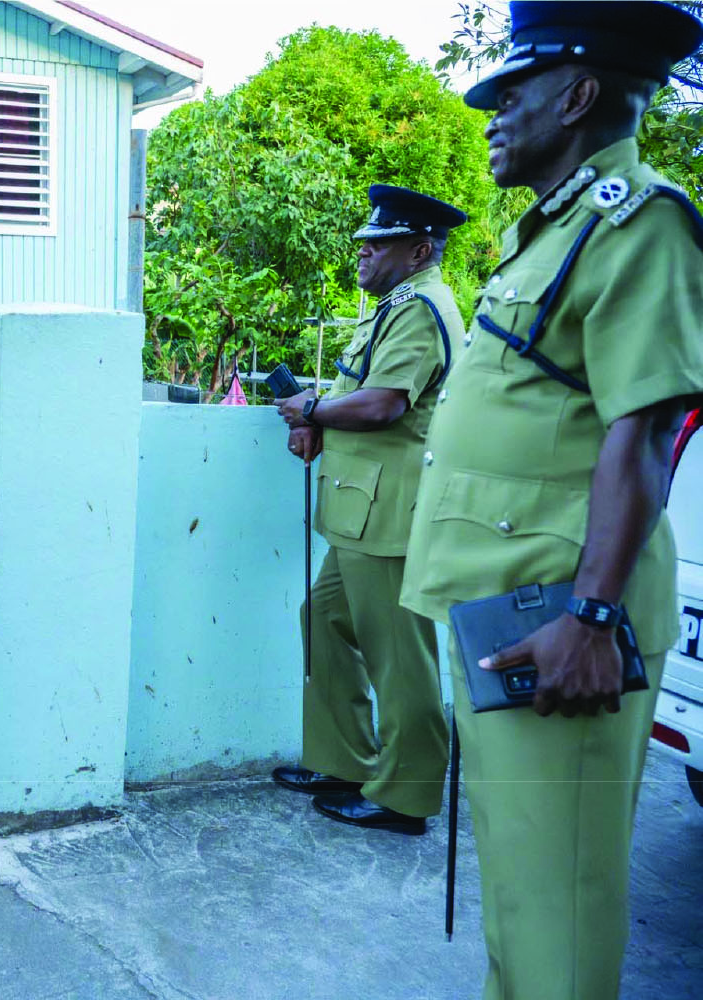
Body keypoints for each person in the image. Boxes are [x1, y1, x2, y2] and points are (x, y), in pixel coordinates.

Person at [398, 4, 703, 997]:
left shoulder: (639, 222)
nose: (492, 115)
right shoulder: (551, 231)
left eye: (510, 93)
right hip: (508, 608)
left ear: (577, 96)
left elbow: (646, 431)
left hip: (560, 623)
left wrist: (593, 617)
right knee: (522, 896)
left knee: (558, 907)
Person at [273, 186, 468, 836]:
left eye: (379, 243)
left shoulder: (419, 309)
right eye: (364, 241)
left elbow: (385, 403)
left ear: (418, 251)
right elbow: (357, 389)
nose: (363, 251)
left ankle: (407, 797)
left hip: (390, 515)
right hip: (360, 509)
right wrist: (319, 417)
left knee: (399, 657)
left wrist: (311, 410)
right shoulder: (391, 305)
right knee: (324, 619)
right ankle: (343, 762)